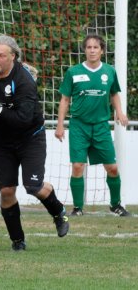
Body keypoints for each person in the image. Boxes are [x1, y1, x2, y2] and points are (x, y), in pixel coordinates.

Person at [0, 35, 69, 251]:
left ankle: (58, 212)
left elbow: (23, 120)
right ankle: (17, 241)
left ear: (13, 58)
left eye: (1, 55)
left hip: (30, 138)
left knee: (33, 186)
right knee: (7, 191)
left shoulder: (25, 82)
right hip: (1, 141)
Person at [55, 34, 130, 216]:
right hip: (79, 126)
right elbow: (65, 99)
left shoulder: (109, 71)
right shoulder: (73, 72)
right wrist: (60, 125)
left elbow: (114, 94)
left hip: (101, 126)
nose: (92, 50)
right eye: (89, 47)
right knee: (78, 166)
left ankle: (115, 205)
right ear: (85, 50)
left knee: (112, 167)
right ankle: (78, 208)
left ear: (102, 50)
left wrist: (119, 112)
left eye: (96, 47)